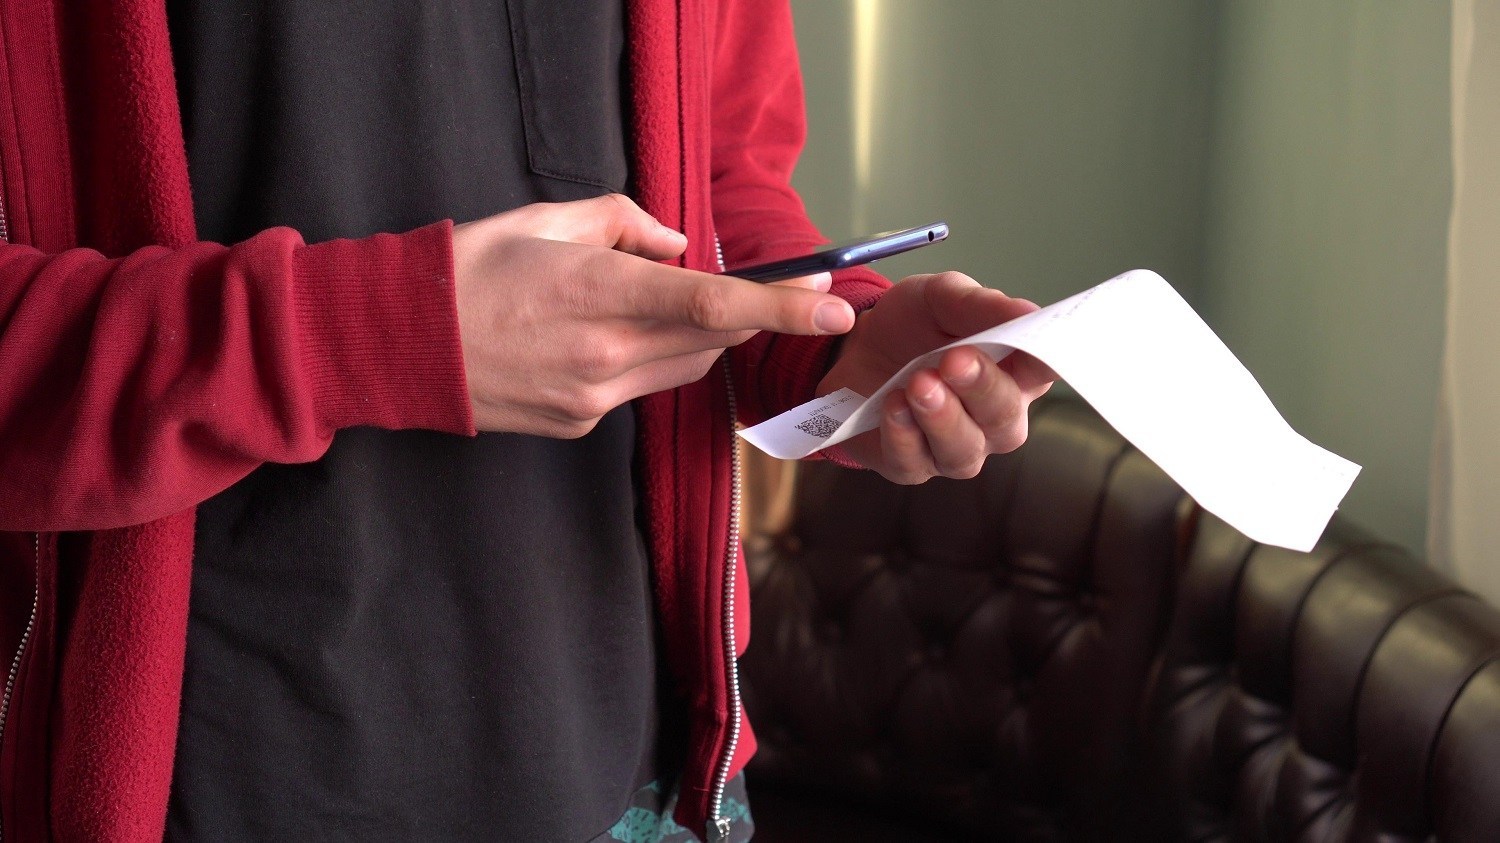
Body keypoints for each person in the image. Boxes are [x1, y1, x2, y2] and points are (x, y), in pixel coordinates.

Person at [0, 1, 1053, 840]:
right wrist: (380, 332)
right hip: (192, 786)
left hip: (643, 788)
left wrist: (822, 345)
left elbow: (716, 186)